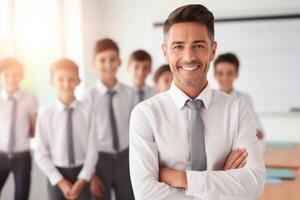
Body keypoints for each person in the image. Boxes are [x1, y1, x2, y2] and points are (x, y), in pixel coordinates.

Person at [129, 4, 265, 199]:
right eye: (178, 47)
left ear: (213, 50)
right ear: (165, 52)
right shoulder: (145, 115)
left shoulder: (237, 109)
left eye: (199, 45)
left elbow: (253, 183)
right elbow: (146, 194)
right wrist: (222, 180)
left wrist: (182, 178)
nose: (189, 57)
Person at [35, 59, 97, 200]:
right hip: (56, 175)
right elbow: (40, 153)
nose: (66, 84)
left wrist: (82, 180)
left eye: (71, 79)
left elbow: (92, 150)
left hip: (83, 175)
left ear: (78, 81)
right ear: (52, 81)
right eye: (61, 79)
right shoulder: (45, 114)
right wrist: (60, 182)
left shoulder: (88, 111)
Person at [83, 38, 135, 200]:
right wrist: (90, 175)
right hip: (100, 161)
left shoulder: (130, 93)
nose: (108, 64)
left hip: (126, 158)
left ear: (119, 62)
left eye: (113, 59)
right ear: (94, 64)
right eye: (102, 60)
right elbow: (83, 138)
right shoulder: (87, 97)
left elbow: (136, 130)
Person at [0, 58, 38, 200]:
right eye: (6, 75)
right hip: (0, 155)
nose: (11, 79)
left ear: (21, 76)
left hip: (22, 158)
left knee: (21, 196)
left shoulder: (30, 99)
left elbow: (34, 128)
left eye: (15, 75)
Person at [214, 52, 264, 139]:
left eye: (229, 73)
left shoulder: (245, 99)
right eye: (220, 73)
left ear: (236, 74)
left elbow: (259, 133)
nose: (225, 78)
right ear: (215, 75)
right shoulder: (210, 100)